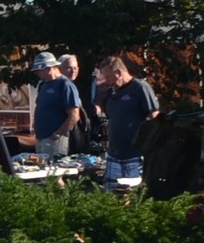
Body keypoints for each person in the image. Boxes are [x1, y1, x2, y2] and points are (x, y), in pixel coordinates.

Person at [97, 55, 159, 191]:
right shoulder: (111, 94)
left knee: (133, 194)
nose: (107, 82)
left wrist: (149, 147)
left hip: (135, 155)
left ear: (118, 73)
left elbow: (154, 117)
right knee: (111, 194)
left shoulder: (140, 88)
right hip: (114, 154)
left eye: (108, 77)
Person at [30, 51, 82, 160]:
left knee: (53, 174)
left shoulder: (65, 85)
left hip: (54, 139)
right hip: (41, 137)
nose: (36, 73)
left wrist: (57, 135)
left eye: (38, 70)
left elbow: (74, 116)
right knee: (41, 172)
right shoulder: (44, 85)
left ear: (48, 68)